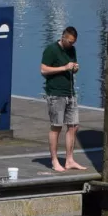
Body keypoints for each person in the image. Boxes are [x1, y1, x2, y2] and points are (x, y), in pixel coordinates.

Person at [40, 26, 83, 172]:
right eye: (69, 42)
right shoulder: (51, 49)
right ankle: (54, 160)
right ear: (63, 37)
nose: (71, 45)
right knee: (56, 126)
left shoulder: (72, 50)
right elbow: (43, 70)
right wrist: (64, 68)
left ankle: (69, 159)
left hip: (70, 93)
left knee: (73, 125)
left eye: (74, 42)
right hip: (56, 93)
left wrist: (75, 68)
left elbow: (72, 66)